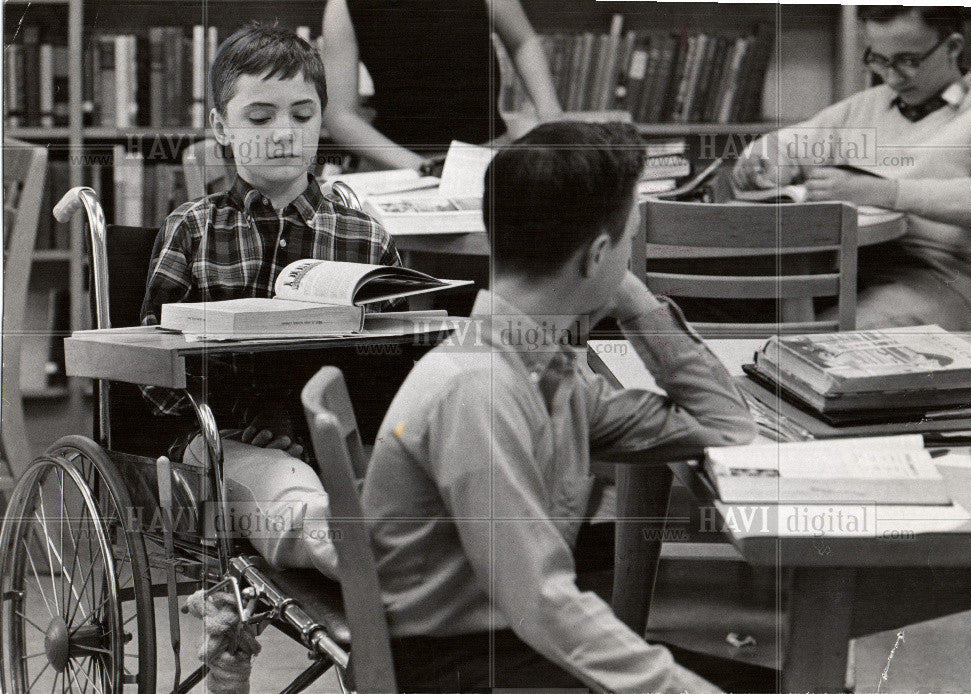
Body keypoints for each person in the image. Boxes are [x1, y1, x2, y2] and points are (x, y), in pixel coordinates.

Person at [360, 121, 756, 691]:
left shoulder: (547, 367)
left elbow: (725, 428)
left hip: (507, 648)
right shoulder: (478, 390)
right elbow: (543, 604)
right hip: (465, 670)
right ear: (597, 254)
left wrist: (638, 306)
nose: (631, 259)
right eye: (629, 242)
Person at [139, 23, 403, 573]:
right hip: (220, 438)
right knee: (273, 478)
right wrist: (233, 420)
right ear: (222, 128)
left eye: (302, 116)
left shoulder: (365, 235)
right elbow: (152, 366)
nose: (283, 133)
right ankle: (344, 555)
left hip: (339, 436)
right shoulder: (192, 230)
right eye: (260, 118)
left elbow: (397, 358)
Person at [733, 5, 971, 331]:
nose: (891, 76)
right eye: (880, 59)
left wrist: (878, 191)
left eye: (908, 60)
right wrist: (762, 162)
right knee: (725, 309)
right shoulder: (868, 104)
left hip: (951, 276)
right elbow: (785, 144)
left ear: (953, 47)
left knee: (820, 337)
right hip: (853, 262)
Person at [320, 0, 563, 171]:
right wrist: (421, 167)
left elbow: (522, 41)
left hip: (488, 154)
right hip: (398, 162)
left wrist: (550, 115)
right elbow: (339, 116)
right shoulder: (343, 6)